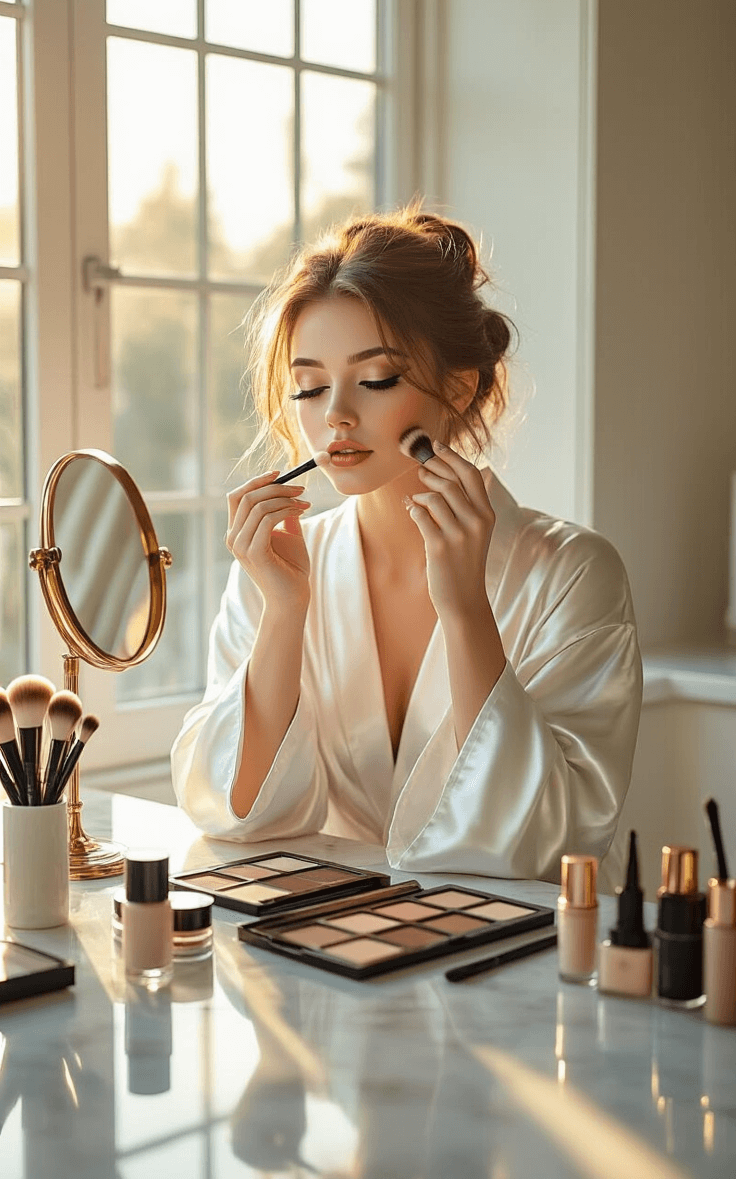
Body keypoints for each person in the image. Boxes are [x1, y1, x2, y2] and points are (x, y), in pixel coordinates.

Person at [171, 206, 642, 885]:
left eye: (377, 378)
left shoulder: (572, 574)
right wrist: (282, 614)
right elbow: (233, 813)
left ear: (459, 384)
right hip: (326, 954)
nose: (334, 414)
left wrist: (466, 609)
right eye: (308, 386)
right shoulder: (276, 568)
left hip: (515, 963)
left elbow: (545, 842)